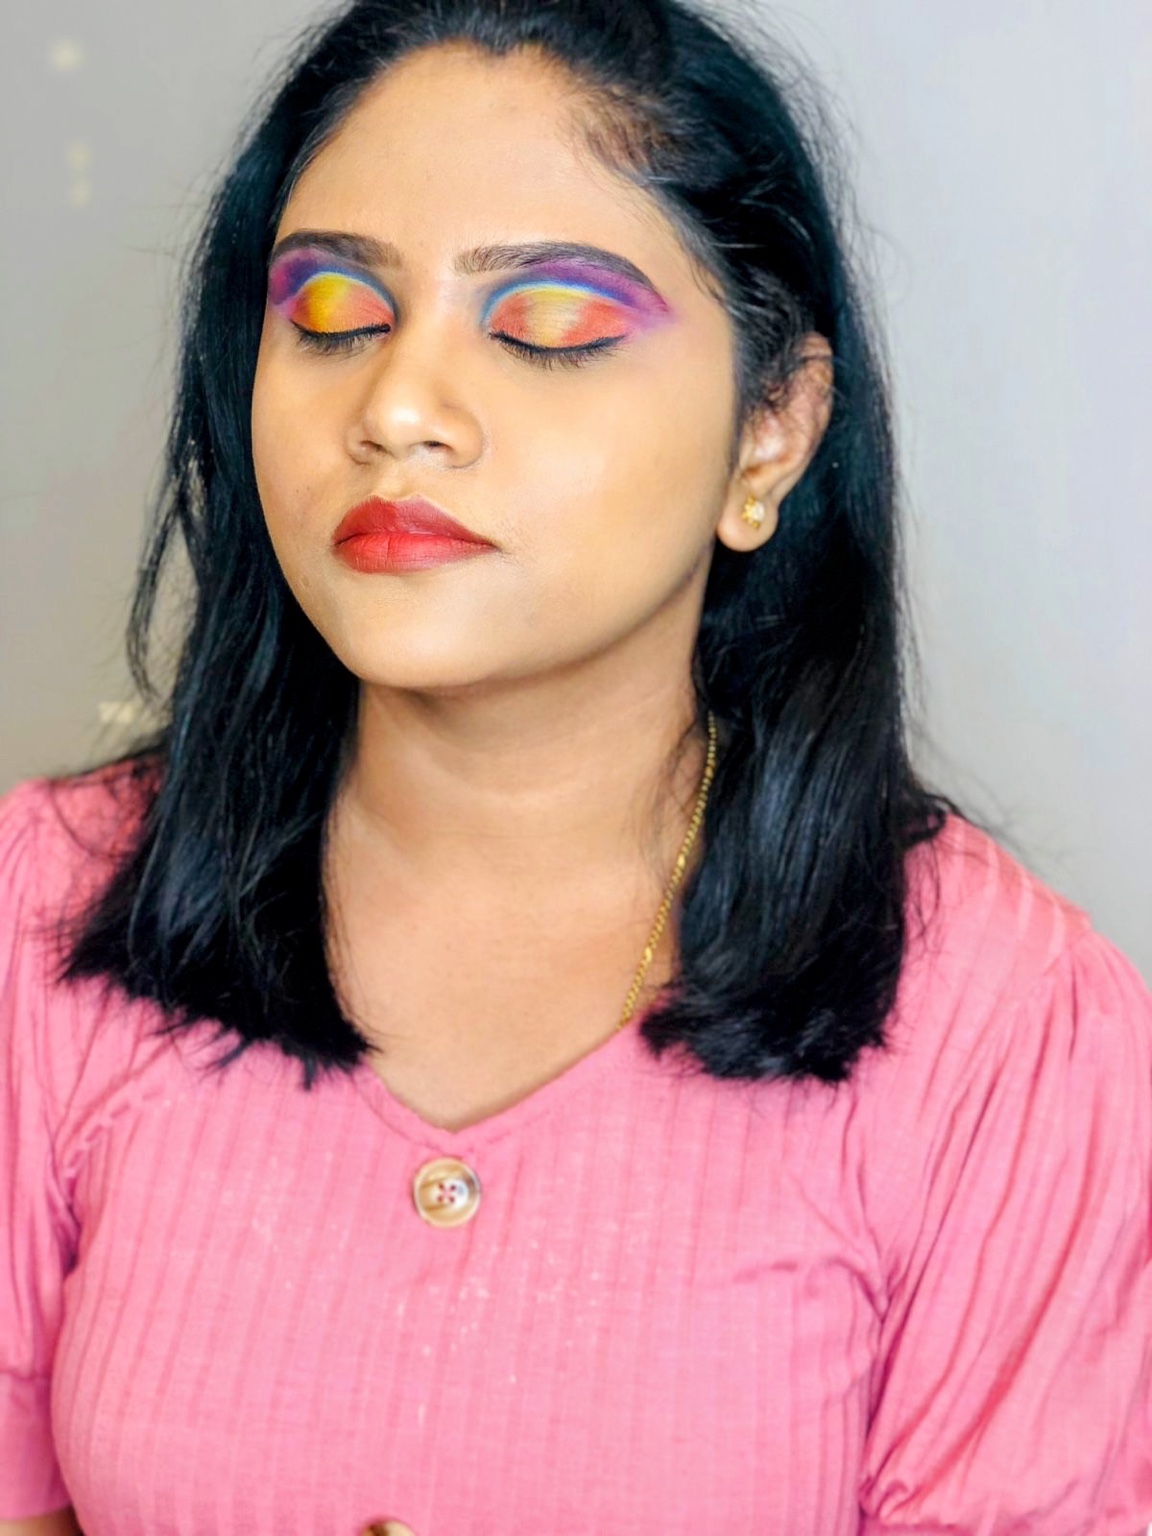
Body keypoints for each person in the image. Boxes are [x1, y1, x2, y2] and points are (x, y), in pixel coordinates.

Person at [1, 0, 1149, 1531]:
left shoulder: (1010, 1036)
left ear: (773, 429)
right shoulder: (43, 913)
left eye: (547, 326)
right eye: (333, 313)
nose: (397, 409)